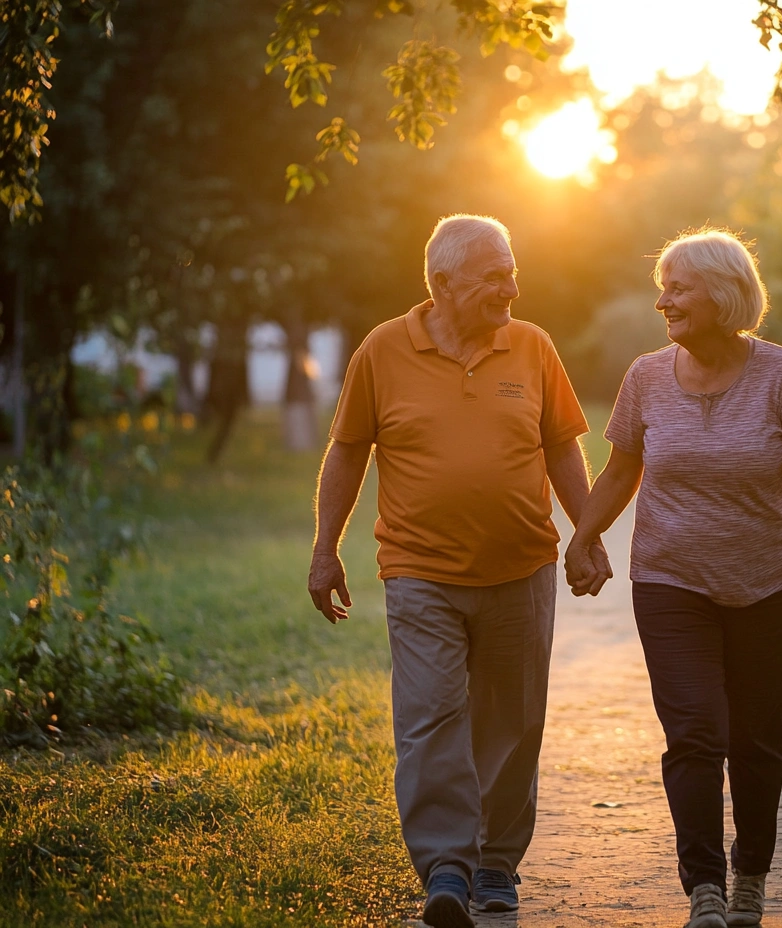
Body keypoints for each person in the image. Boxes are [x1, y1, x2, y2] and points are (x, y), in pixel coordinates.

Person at [307, 214, 611, 928]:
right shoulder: (383, 351)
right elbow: (348, 452)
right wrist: (326, 548)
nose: (512, 286)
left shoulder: (532, 347)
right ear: (442, 283)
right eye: (494, 275)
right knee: (430, 716)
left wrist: (587, 532)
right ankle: (447, 866)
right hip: (420, 571)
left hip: (521, 569)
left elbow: (563, 448)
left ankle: (497, 866)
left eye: (512, 270)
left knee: (511, 720)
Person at [564, 228, 782, 928]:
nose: (663, 301)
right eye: (663, 287)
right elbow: (621, 470)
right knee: (694, 731)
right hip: (670, 580)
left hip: (769, 582)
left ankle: (751, 874)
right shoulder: (645, 377)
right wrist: (584, 534)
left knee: (756, 736)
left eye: (678, 287)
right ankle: (706, 892)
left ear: (723, 295)